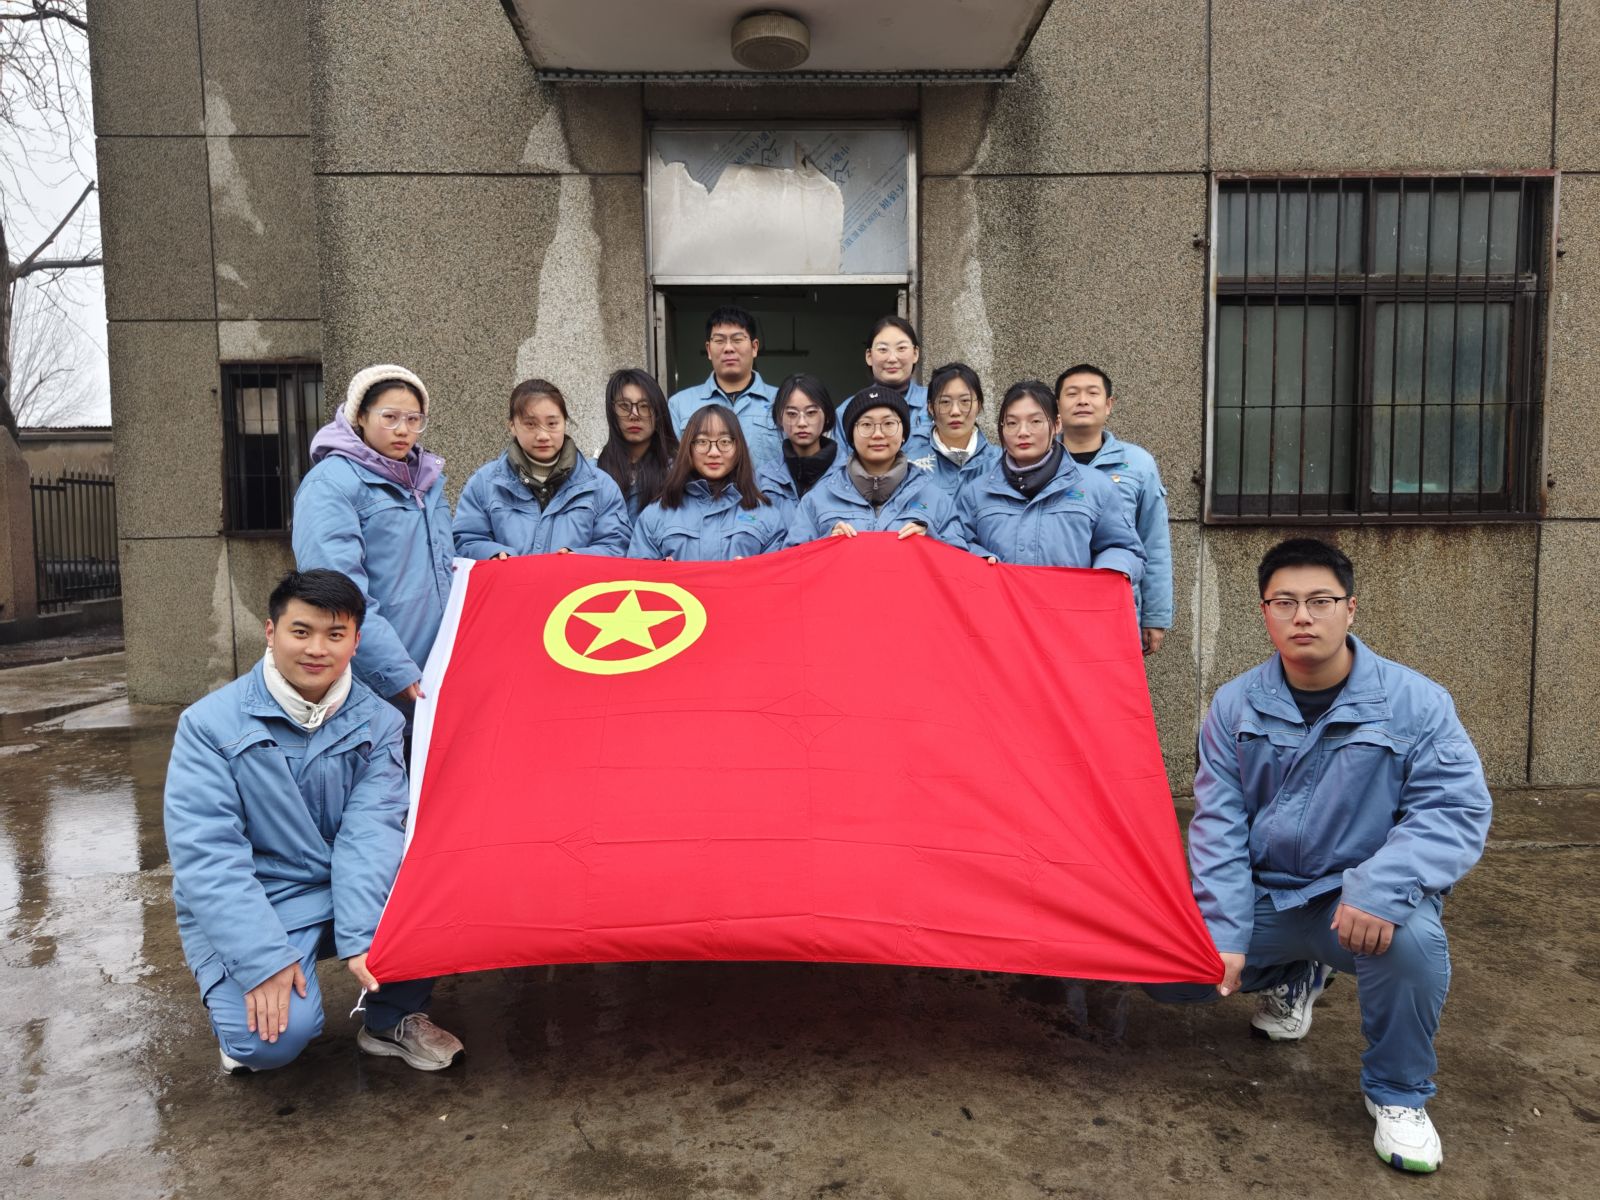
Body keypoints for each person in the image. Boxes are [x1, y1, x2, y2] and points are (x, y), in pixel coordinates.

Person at [1145, 538, 1491, 1174]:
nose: (1302, 616)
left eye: (1320, 601)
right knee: (1163, 966)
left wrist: (1380, 889)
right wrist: (1225, 929)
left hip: (1353, 902)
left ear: (1350, 608)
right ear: (1265, 612)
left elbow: (1454, 810)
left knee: (1413, 946)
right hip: (1268, 895)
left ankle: (1398, 1094)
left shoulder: (1416, 703)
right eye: (1285, 602)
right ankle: (1292, 976)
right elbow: (1220, 823)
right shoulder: (1234, 705)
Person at [164, 569, 464, 1074]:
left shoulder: (380, 722)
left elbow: (371, 833)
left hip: (345, 883)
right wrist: (260, 959)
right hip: (265, 894)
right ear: (271, 631)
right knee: (268, 1045)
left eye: (335, 634)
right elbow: (208, 855)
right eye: (300, 631)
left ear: (356, 641)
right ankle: (236, 1002)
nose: (317, 649)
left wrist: (365, 936)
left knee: (442, 881)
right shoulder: (208, 725)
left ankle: (392, 1017)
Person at [292, 364, 452, 714]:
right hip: (375, 682)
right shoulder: (330, 485)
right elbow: (338, 592)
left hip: (438, 671)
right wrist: (392, 668)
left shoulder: (426, 481)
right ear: (360, 417)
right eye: (390, 417)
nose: (403, 430)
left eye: (414, 419)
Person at [955, 380, 1145, 583]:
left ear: (1056, 424)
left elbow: (1124, 548)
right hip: (998, 603)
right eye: (1012, 423)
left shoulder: (1096, 487)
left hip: (1071, 602)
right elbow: (956, 546)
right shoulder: (975, 492)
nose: (1022, 432)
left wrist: (1108, 571)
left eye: (1035, 421)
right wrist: (980, 560)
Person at [1056, 363, 1173, 656]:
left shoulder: (1138, 464)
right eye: (1072, 393)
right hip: (1054, 606)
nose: (1082, 400)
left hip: (1117, 608)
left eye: (1092, 393)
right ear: (1057, 407)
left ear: (1108, 405)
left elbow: (1153, 540)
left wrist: (1155, 616)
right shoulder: (1041, 462)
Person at [453, 378, 630, 560]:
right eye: (530, 424)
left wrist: (578, 558)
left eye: (552, 424)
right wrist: (492, 554)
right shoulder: (484, 483)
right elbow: (465, 540)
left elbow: (617, 545)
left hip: (576, 580)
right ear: (512, 426)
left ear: (564, 423)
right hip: (507, 579)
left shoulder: (600, 485)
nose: (543, 435)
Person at [787, 385, 966, 548]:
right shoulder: (817, 500)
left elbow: (961, 562)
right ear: (851, 436)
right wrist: (824, 543)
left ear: (904, 433)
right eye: (866, 425)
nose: (878, 434)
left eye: (889, 424)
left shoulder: (936, 499)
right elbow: (791, 561)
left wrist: (932, 542)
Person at [628, 403, 787, 560]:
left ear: (738, 448)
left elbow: (780, 573)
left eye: (725, 442)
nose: (714, 452)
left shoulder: (766, 515)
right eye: (702, 442)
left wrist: (752, 573)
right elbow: (637, 573)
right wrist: (662, 571)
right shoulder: (656, 514)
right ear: (688, 448)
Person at [666, 306, 781, 468]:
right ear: (708, 350)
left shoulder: (781, 402)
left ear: (754, 347)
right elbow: (672, 467)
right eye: (719, 341)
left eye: (737, 340)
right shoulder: (679, 404)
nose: (728, 348)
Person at [755, 373, 842, 523]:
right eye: (792, 414)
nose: (802, 423)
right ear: (779, 418)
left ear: (827, 415)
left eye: (811, 413)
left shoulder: (847, 474)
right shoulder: (762, 479)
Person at [905, 361, 1000, 498]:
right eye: (945, 402)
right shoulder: (911, 465)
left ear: (978, 405)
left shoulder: (1000, 462)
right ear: (930, 408)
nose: (955, 411)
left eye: (965, 401)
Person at [836, 315, 932, 449]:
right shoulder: (846, 410)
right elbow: (839, 459)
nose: (892, 358)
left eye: (901, 348)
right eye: (883, 349)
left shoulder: (934, 402)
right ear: (869, 356)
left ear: (915, 354)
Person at [596, 368, 677, 518]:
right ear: (612, 412)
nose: (634, 415)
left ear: (658, 412)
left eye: (644, 406)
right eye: (624, 406)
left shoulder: (677, 473)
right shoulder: (592, 473)